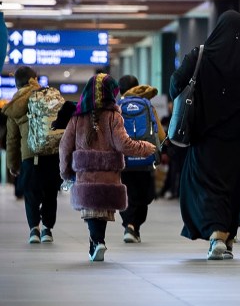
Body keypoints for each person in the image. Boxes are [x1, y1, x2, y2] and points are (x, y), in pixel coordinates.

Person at [170, 10, 240, 260]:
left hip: (206, 140)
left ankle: (216, 236)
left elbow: (175, 83)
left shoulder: (201, 55)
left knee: (209, 188)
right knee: (232, 189)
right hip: (239, 144)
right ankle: (227, 236)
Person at [58, 73, 156, 262]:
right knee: (100, 211)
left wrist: (65, 172)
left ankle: (97, 242)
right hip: (108, 176)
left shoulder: (77, 117)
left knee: (91, 211)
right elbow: (124, 144)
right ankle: (97, 241)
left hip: (86, 176)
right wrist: (146, 148)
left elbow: (64, 146)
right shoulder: (113, 116)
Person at [3, 66, 61, 244]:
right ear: (34, 79)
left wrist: (13, 164)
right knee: (50, 193)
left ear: (17, 84)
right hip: (52, 153)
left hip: (29, 156)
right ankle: (47, 230)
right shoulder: (48, 95)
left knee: (31, 193)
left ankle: (34, 230)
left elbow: (12, 139)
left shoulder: (15, 104)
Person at [116, 74, 163, 244]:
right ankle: (133, 226)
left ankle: (130, 225)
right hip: (145, 157)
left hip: (124, 160)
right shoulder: (147, 104)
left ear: (119, 90)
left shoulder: (117, 107)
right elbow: (160, 134)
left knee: (127, 194)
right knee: (144, 196)